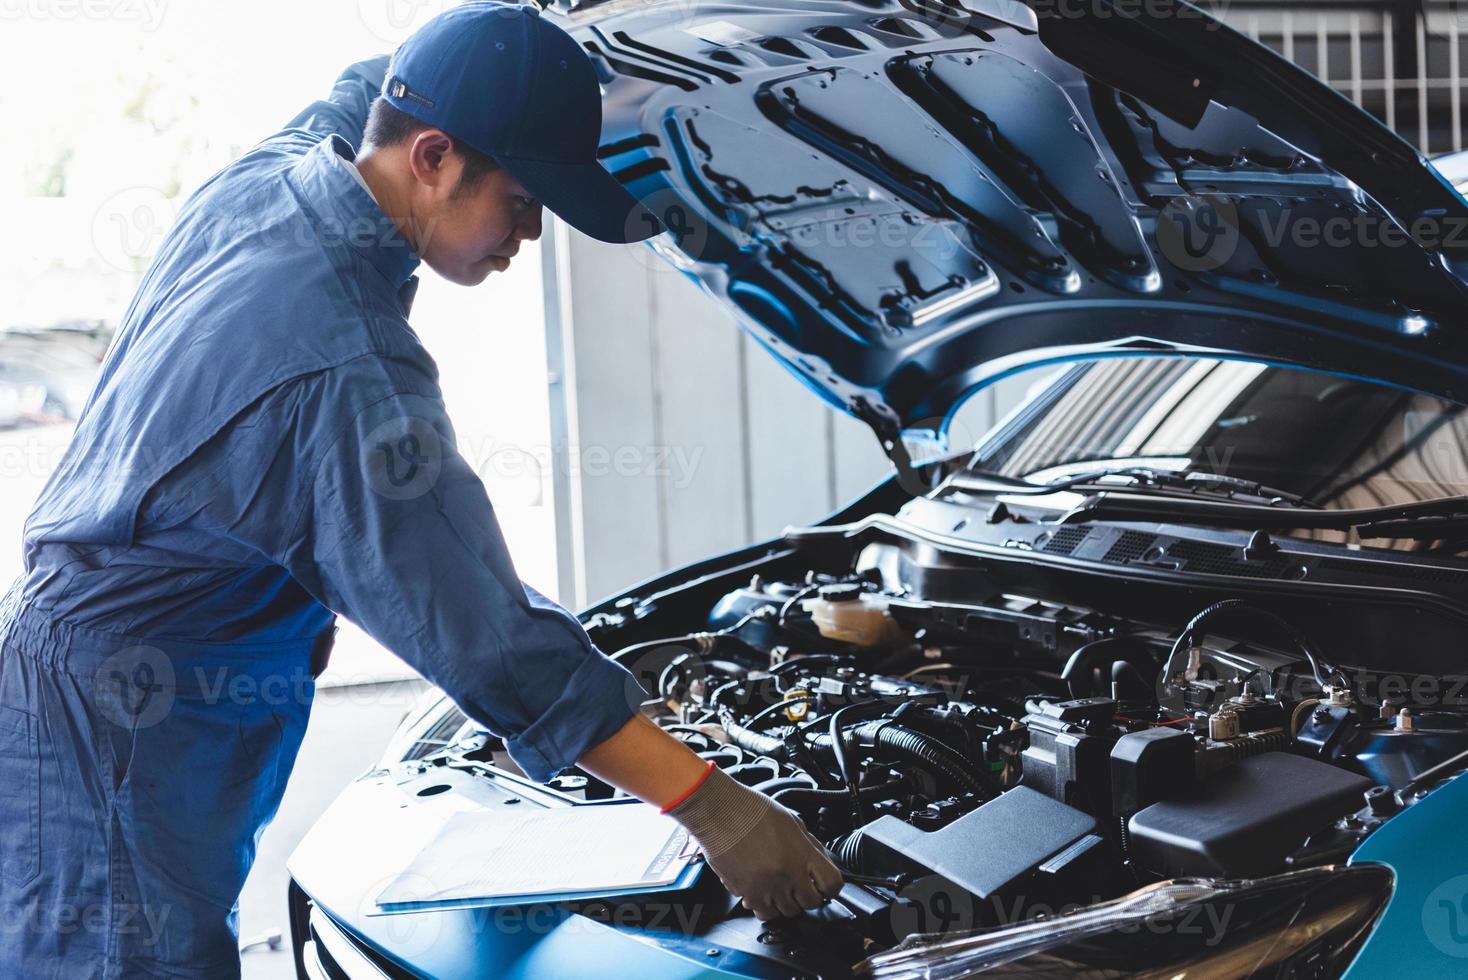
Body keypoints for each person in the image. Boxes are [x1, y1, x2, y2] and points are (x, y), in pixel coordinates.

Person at [0, 4, 841, 975]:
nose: (529, 233)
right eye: (524, 199)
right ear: (434, 157)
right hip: (111, 739)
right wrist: (714, 806)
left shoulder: (277, 176)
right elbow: (487, 634)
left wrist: (531, 47)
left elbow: (379, 84)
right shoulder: (344, 373)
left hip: (95, 696)